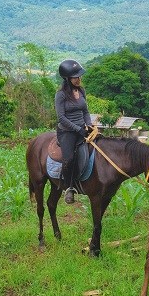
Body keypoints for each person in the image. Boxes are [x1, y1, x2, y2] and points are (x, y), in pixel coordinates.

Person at [54, 59, 92, 204]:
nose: (78, 79)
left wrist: (89, 125)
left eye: (79, 76)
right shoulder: (61, 95)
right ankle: (68, 187)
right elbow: (61, 118)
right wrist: (77, 129)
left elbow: (85, 111)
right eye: (75, 77)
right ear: (67, 78)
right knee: (69, 158)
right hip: (67, 131)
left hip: (82, 128)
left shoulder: (81, 91)